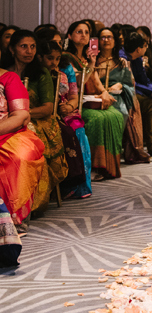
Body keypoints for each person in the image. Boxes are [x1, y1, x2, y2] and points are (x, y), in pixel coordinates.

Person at [0, 31, 68, 215]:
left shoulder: (41, 73)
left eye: (32, 47)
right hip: (11, 119)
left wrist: (20, 115)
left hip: (40, 119)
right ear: (12, 49)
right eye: (23, 46)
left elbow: (47, 108)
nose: (29, 51)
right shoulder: (6, 70)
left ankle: (35, 201)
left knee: (30, 135)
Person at [62, 21, 124, 180]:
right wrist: (90, 64)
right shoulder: (66, 58)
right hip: (73, 100)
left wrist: (104, 92)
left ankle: (109, 167)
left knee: (115, 115)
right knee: (97, 119)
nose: (83, 35)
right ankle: (94, 166)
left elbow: (95, 80)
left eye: (86, 32)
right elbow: (77, 84)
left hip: (88, 99)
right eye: (79, 32)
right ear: (69, 35)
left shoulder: (85, 57)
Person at [38, 40, 91, 199]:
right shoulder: (37, 73)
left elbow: (74, 96)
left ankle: (79, 185)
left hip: (65, 109)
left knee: (78, 130)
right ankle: (64, 183)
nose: (54, 62)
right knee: (65, 133)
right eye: (50, 58)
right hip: (46, 112)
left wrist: (69, 107)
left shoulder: (64, 70)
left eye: (57, 58)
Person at [95, 29, 150, 165]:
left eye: (109, 37)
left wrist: (120, 85)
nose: (106, 40)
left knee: (123, 112)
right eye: (103, 37)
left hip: (118, 97)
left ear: (115, 41)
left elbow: (130, 85)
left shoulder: (121, 62)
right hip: (95, 95)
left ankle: (116, 152)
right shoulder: (93, 60)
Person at [0, 66, 44, 228]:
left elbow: (21, 116)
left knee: (19, 156)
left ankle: (12, 220)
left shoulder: (9, 78)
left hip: (9, 131)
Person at [125, 32, 152, 157]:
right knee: (149, 103)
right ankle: (145, 145)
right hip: (125, 92)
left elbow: (144, 80)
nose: (147, 49)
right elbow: (131, 83)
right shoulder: (124, 59)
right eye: (145, 46)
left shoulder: (137, 58)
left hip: (137, 91)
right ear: (138, 49)